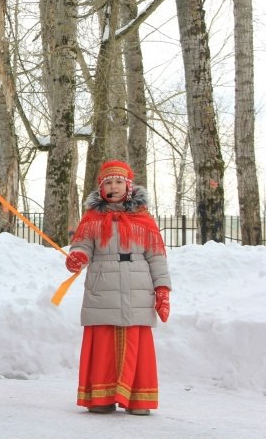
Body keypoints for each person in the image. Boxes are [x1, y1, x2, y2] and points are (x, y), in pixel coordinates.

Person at [65, 160, 172, 416]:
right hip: (103, 288)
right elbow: (82, 245)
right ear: (101, 188)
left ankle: (138, 399)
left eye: (118, 182)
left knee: (136, 343)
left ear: (128, 185)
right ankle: (101, 397)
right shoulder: (91, 218)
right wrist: (78, 256)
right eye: (108, 183)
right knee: (103, 343)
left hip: (138, 287)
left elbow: (157, 256)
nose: (113, 187)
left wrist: (162, 289)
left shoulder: (144, 219)